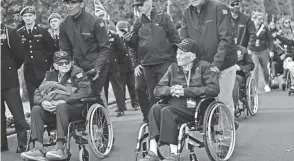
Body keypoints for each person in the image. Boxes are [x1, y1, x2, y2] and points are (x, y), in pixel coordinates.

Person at [139, 38, 220, 161]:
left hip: (195, 107)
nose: (178, 56)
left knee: (167, 111)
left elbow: (213, 89)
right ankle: (153, 152)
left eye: (182, 54)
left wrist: (185, 91)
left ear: (192, 56)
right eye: (177, 53)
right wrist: (170, 90)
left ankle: (174, 154)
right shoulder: (173, 68)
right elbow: (157, 90)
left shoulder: (205, 67)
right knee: (155, 108)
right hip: (174, 104)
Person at [20, 51, 92, 161]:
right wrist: (43, 102)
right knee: (36, 109)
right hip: (54, 110)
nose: (64, 65)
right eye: (60, 63)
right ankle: (38, 148)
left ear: (71, 62)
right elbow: (37, 93)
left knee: (61, 107)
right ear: (55, 65)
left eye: (66, 62)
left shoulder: (77, 73)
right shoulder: (50, 75)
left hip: (74, 110)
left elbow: (85, 91)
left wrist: (65, 101)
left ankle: (60, 148)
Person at [181, 0, 239, 128]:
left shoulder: (219, 8)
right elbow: (185, 41)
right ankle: (223, 124)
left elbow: (226, 38)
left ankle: (226, 138)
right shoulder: (186, 13)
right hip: (203, 65)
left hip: (224, 64)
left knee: (224, 100)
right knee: (200, 99)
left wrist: (216, 64)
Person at [124, 0, 180, 119]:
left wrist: (177, 60)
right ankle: (153, 120)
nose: (139, 8)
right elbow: (134, 45)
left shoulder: (163, 17)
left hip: (165, 61)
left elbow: (175, 38)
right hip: (147, 64)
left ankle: (169, 119)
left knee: (166, 93)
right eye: (137, 6)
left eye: (141, 4)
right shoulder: (138, 22)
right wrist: (128, 41)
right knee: (153, 95)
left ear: (149, 2)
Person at [59, 0, 111, 107]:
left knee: (92, 97)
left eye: (73, 3)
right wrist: (66, 68)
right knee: (74, 98)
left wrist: (97, 68)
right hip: (78, 68)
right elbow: (65, 50)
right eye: (67, 3)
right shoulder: (64, 24)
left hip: (97, 66)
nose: (69, 6)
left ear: (82, 4)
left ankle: (103, 120)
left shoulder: (95, 22)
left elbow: (105, 48)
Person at [17, 6, 55, 109]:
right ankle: (36, 120)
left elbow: (51, 49)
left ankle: (49, 120)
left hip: (43, 69)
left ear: (34, 17)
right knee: (32, 96)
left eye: (30, 15)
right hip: (28, 70)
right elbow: (17, 52)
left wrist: (48, 65)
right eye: (25, 16)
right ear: (23, 18)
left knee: (45, 94)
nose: (28, 18)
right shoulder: (19, 33)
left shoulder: (42, 31)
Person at [1, 17, 28, 153]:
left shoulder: (10, 32)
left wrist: (9, 67)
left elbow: (20, 55)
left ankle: (22, 143)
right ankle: (2, 145)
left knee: (17, 114)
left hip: (9, 80)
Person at [104, 23, 128, 117]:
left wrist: (116, 60)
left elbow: (122, 51)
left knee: (117, 88)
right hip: (102, 67)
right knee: (103, 90)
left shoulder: (114, 36)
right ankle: (104, 110)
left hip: (113, 66)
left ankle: (121, 108)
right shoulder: (97, 37)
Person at [116, 21, 140, 111]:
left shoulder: (131, 38)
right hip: (120, 67)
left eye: (124, 29)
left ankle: (135, 103)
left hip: (130, 66)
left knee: (132, 86)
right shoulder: (116, 39)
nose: (123, 31)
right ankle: (122, 105)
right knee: (121, 87)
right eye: (120, 29)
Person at [250, 11, 274, 93]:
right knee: (255, 69)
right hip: (254, 52)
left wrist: (271, 51)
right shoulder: (250, 27)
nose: (261, 20)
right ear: (254, 19)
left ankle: (267, 84)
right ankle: (255, 87)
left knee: (265, 69)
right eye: (259, 19)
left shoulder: (265, 28)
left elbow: (270, 40)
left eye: (261, 19)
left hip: (263, 51)